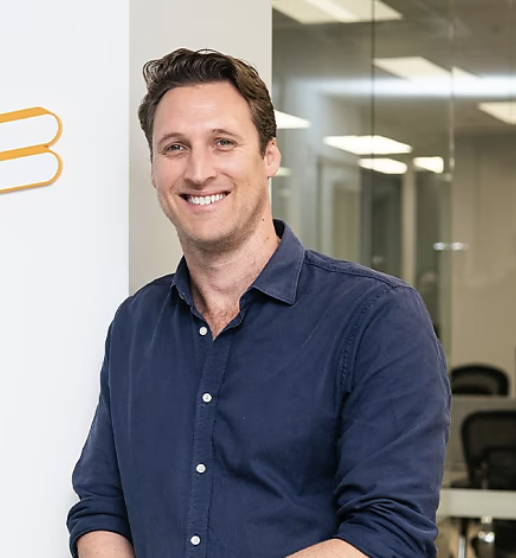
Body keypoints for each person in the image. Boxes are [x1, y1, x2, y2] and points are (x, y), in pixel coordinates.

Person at [66, 48, 450, 558]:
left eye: (223, 142)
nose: (198, 171)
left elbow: (388, 531)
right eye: (175, 147)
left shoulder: (376, 316)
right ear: (155, 170)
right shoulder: (136, 323)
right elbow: (101, 506)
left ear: (269, 155)